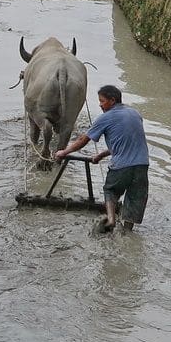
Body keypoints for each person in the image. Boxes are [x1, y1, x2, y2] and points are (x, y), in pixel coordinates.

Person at [55, 83, 149, 233]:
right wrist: (100, 155)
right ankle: (127, 230)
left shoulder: (105, 117)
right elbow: (124, 143)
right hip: (142, 164)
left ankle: (111, 220)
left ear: (112, 100)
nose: (100, 105)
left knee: (110, 190)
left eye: (102, 101)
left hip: (122, 166)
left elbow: (82, 141)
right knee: (135, 197)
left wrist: (64, 152)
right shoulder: (135, 113)